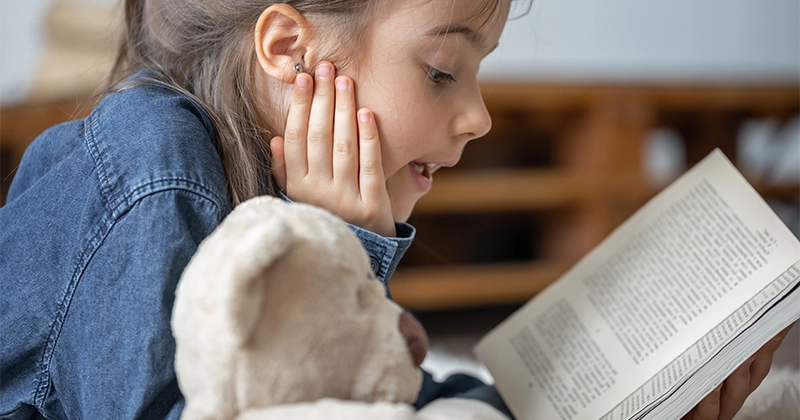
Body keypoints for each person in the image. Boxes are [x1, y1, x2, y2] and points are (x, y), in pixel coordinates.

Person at [0, 0, 791, 419]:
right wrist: (333, 248)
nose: (477, 115)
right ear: (289, 50)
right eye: (445, 70)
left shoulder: (296, 194)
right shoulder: (152, 164)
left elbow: (374, 394)